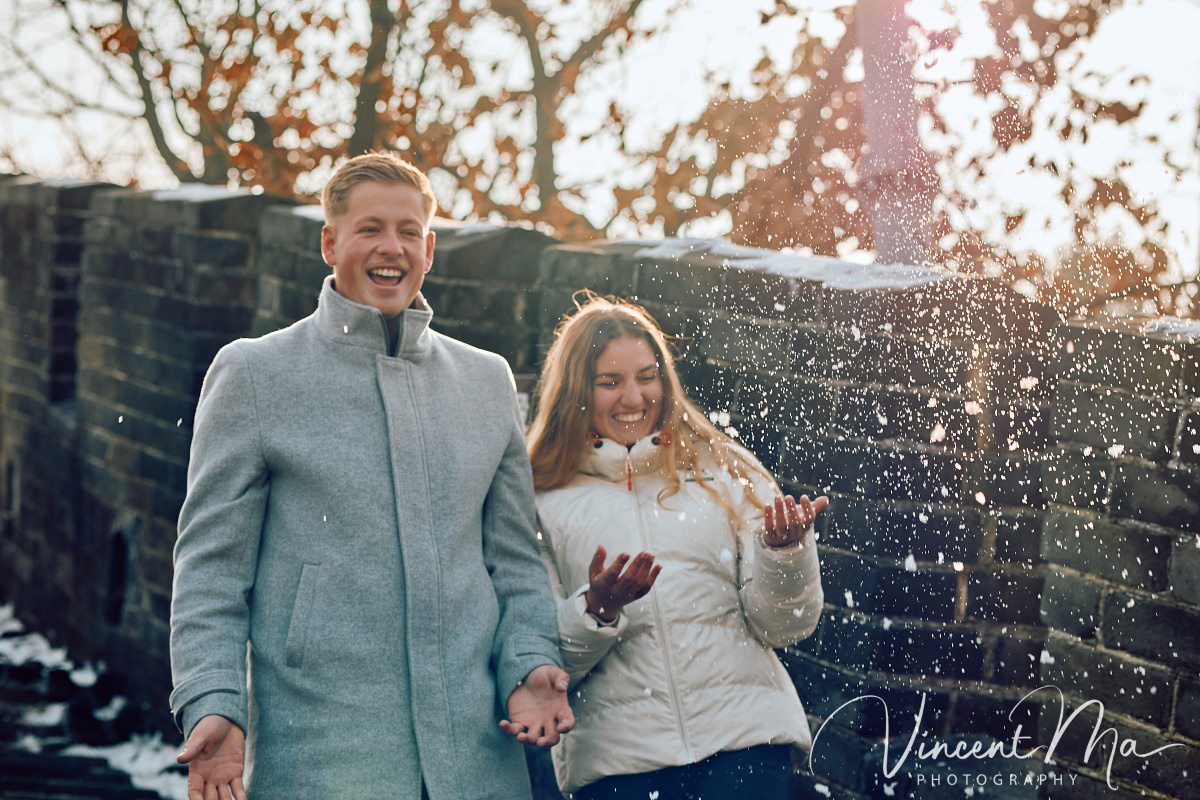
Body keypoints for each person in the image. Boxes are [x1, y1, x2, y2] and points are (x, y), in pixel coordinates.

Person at [169, 152, 572, 800]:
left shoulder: (485, 381)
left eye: (409, 231)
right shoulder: (255, 374)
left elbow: (516, 562)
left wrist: (530, 663)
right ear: (330, 242)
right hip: (322, 757)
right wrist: (213, 700)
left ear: (430, 248)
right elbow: (211, 572)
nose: (392, 248)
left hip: (475, 758)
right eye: (370, 229)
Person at [527, 295, 826, 799]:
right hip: (620, 767)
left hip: (747, 749)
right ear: (576, 389)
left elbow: (786, 625)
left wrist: (783, 554)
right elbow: (539, 663)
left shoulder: (725, 468)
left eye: (647, 376)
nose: (634, 397)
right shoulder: (540, 496)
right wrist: (597, 610)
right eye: (609, 382)